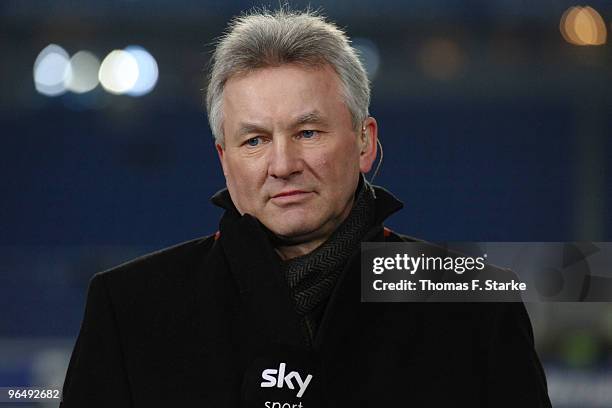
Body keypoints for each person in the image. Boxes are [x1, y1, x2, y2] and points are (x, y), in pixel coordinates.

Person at [60, 8, 552, 407]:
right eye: (254, 140)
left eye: (308, 133)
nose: (283, 164)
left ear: (364, 142)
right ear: (224, 162)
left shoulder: (473, 303)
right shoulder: (130, 307)